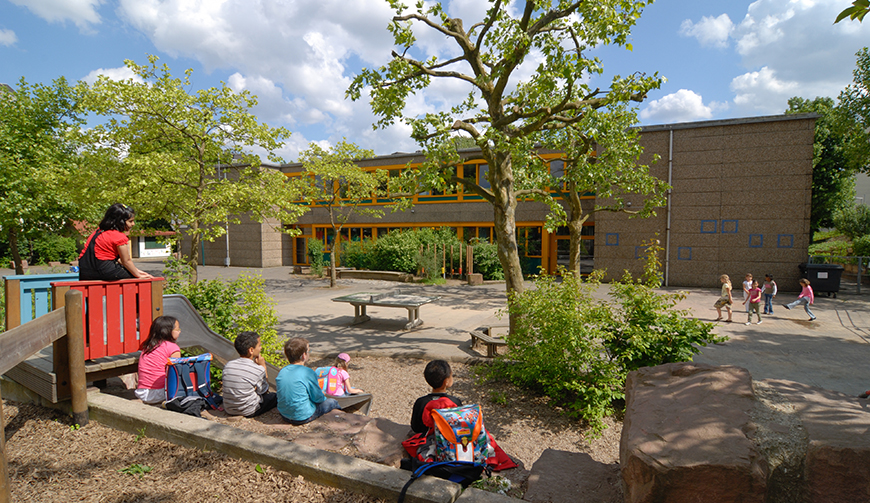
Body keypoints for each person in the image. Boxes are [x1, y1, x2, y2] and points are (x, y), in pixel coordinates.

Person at [78, 203, 153, 281]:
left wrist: (138, 271)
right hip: (105, 271)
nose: (133, 224)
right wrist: (138, 275)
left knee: (131, 271)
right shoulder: (118, 236)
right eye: (130, 221)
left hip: (86, 272)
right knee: (136, 277)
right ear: (119, 221)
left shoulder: (98, 232)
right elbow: (126, 261)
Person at [276, 337, 341, 425]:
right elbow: (318, 398)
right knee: (332, 402)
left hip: (284, 414)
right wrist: (322, 394)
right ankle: (341, 417)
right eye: (308, 351)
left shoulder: (282, 371)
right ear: (304, 355)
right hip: (303, 416)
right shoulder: (308, 372)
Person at [222, 331, 278, 417]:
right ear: (251, 350)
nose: (261, 348)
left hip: (228, 408)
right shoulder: (257, 369)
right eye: (259, 346)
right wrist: (263, 366)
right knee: (274, 396)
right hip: (248, 410)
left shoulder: (228, 365)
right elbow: (265, 391)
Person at [135, 316, 181, 404]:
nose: (179, 331)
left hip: (142, 392)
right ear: (168, 331)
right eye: (177, 329)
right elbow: (176, 372)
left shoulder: (148, 346)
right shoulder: (173, 348)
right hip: (160, 393)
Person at [410, 360, 463, 435]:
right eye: (451, 375)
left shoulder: (420, 402)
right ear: (446, 381)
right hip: (449, 439)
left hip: (426, 441)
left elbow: (415, 427)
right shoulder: (455, 402)